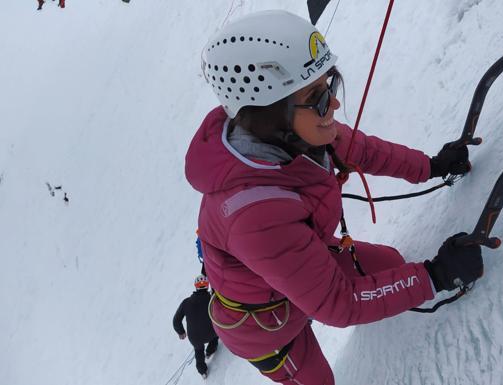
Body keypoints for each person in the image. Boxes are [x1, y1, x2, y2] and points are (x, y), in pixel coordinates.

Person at [186, 10, 484, 385]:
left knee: (390, 263)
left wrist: (431, 166)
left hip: (298, 262)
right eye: (317, 96)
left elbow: (362, 149)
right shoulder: (255, 213)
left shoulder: (298, 132)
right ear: (267, 114)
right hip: (266, 326)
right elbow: (340, 305)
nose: (334, 105)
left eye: (330, 86)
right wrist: (436, 277)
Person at [173, 275, 219, 379]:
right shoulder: (212, 298)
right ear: (207, 286)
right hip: (211, 332)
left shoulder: (186, 302)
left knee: (198, 350)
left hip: (194, 337)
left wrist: (181, 332)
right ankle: (210, 350)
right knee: (216, 335)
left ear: (195, 286)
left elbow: (176, 320)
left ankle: (202, 371)